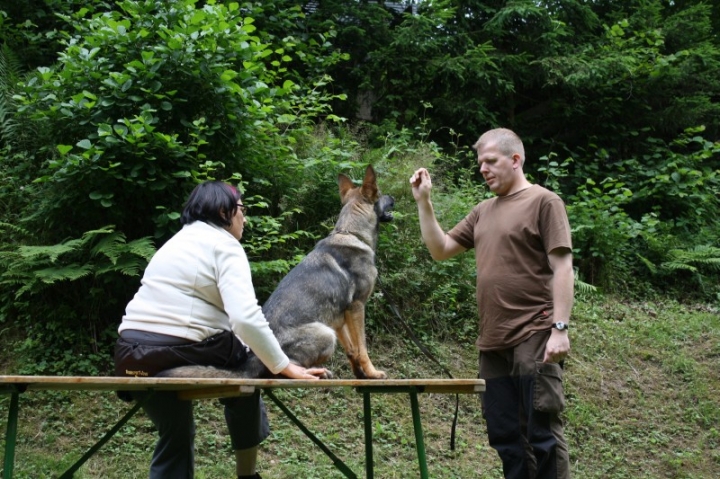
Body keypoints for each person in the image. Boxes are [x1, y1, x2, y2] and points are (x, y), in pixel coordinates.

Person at [114, 181, 326, 479]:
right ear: (224, 211)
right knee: (249, 366)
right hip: (177, 351)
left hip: (131, 358)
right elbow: (246, 318)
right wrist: (283, 365)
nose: (245, 218)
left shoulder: (173, 243)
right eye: (242, 209)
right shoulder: (224, 245)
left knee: (175, 433)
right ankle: (247, 475)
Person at [409, 128, 573, 479]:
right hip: (493, 344)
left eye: (490, 161)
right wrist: (424, 202)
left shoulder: (545, 202)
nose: (483, 169)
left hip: (535, 334)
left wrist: (559, 328)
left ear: (515, 160)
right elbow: (441, 250)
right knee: (506, 439)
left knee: (542, 434)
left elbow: (562, 266)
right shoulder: (483, 211)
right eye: (479, 162)